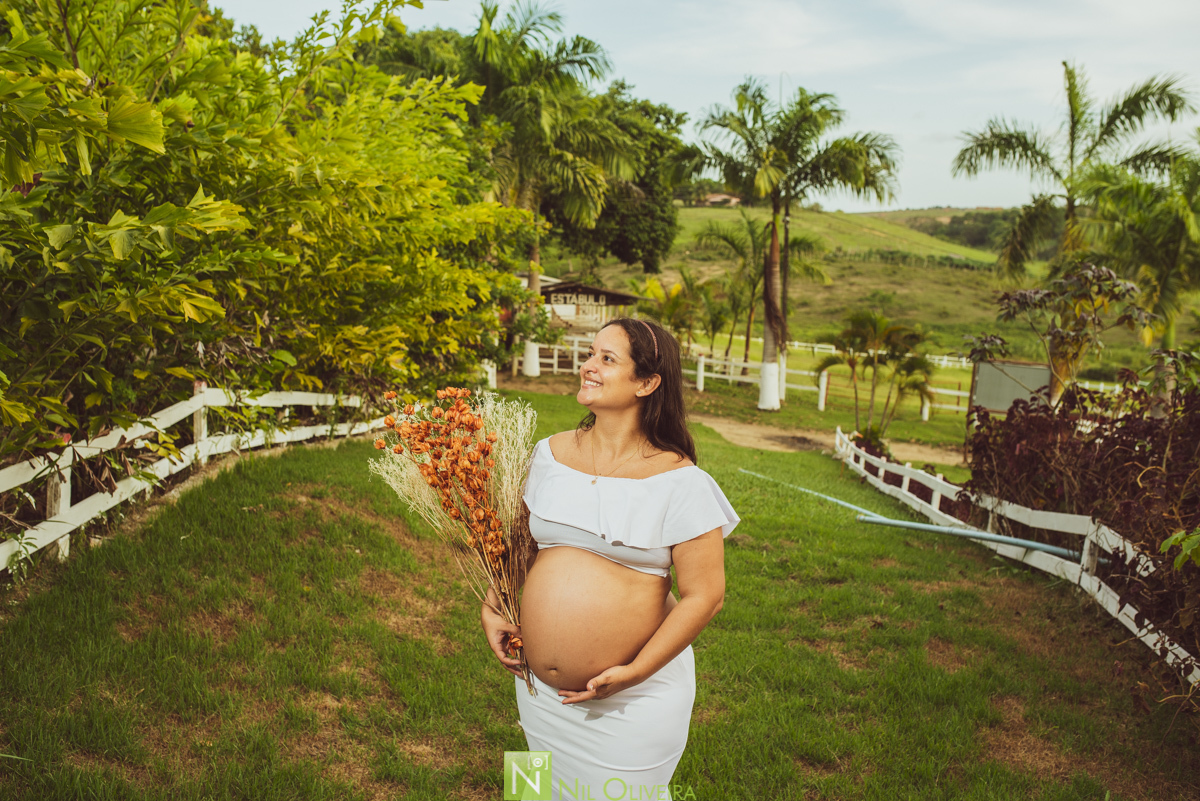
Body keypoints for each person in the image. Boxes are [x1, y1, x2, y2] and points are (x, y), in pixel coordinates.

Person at [480, 317, 740, 800]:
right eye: (590, 354)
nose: (587, 367)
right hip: (536, 690)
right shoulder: (547, 454)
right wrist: (494, 605)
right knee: (534, 795)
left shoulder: (683, 483)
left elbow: (706, 597)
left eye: (606, 359)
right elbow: (521, 542)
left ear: (647, 382)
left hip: (632, 700)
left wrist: (635, 672)